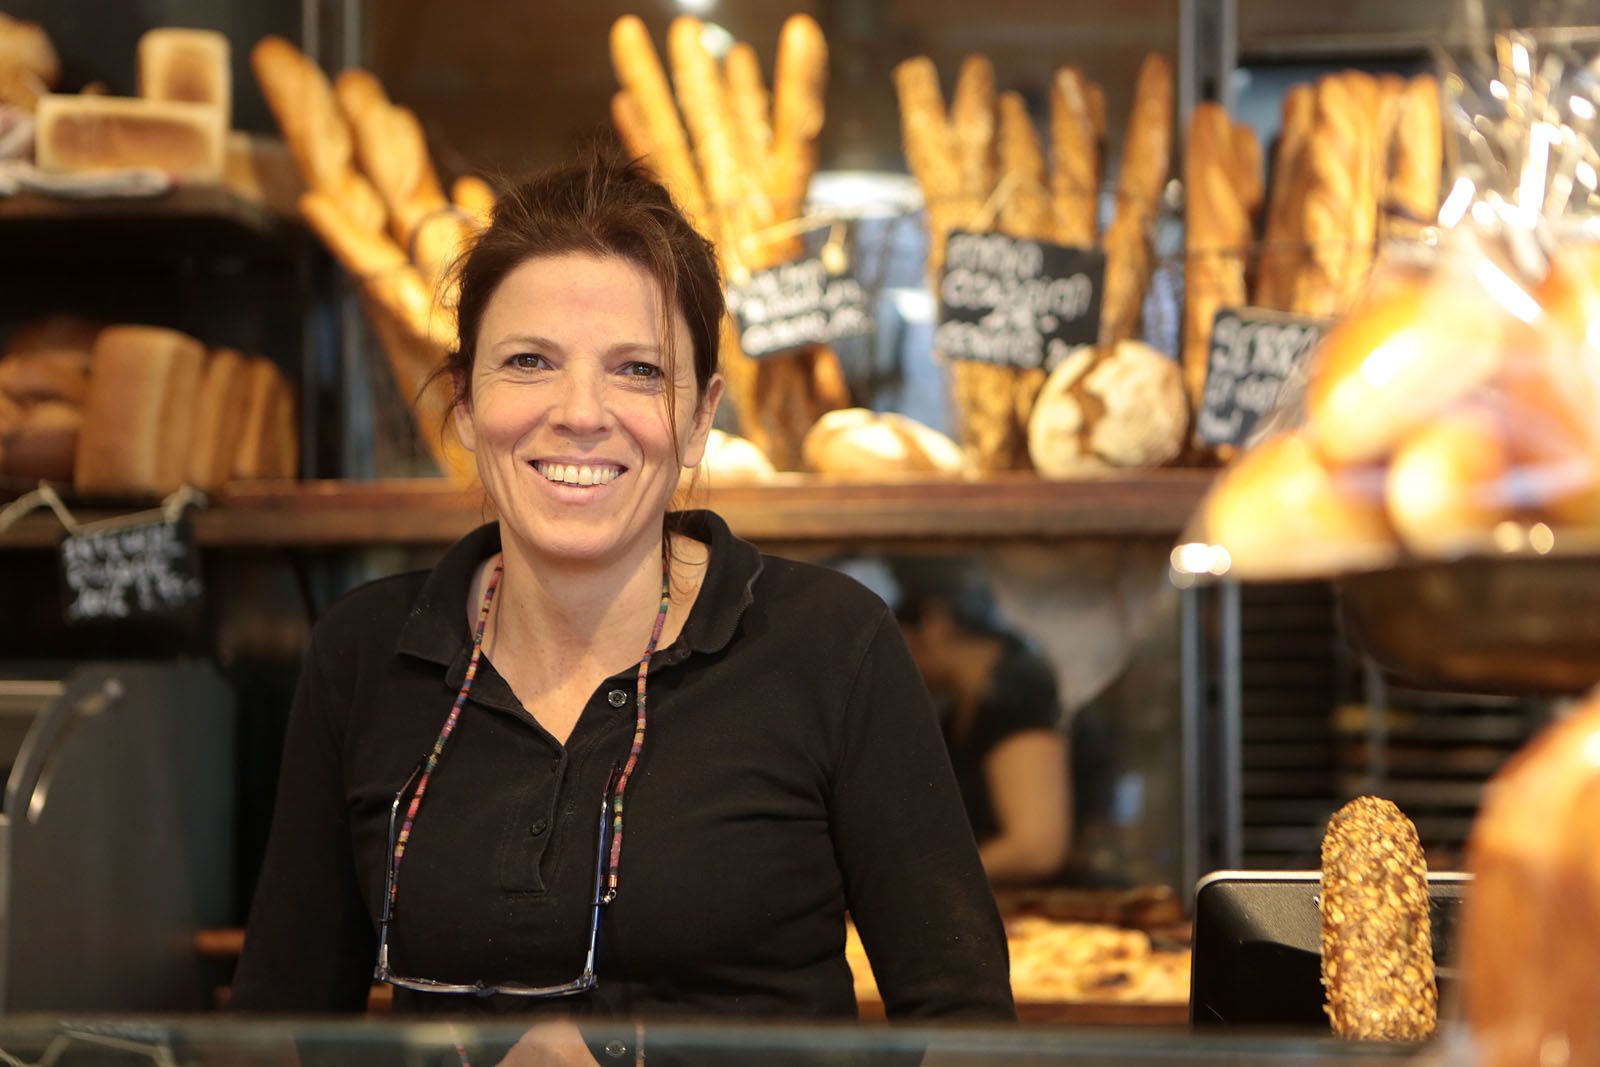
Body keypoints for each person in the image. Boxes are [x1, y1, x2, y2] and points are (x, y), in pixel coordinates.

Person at [230, 152, 1013, 1034]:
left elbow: (965, 1024)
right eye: (529, 360)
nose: (580, 412)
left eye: (638, 369)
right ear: (464, 402)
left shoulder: (831, 643)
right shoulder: (366, 652)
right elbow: (276, 1027)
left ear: (700, 415)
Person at [893, 561, 1070, 886]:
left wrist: (919, 884)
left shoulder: (1016, 692)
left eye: (897, 639)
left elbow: (1036, 847)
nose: (895, 660)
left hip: (1050, 906)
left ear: (935, 621)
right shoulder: (960, 709)